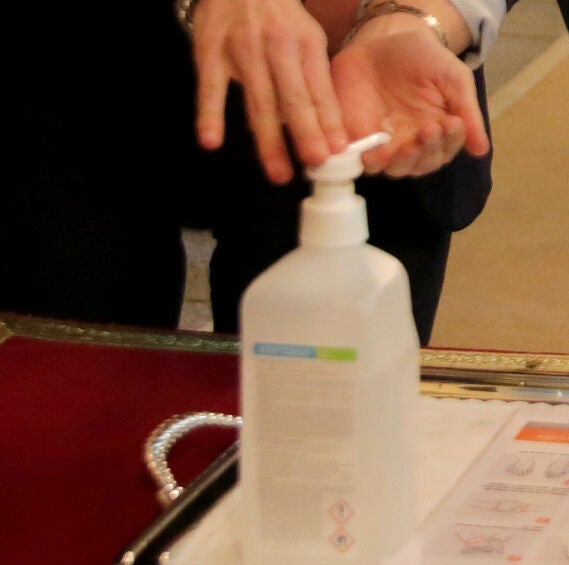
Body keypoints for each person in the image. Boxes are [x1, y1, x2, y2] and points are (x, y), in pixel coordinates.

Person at [0, 1, 511, 345]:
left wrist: (418, 16)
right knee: (70, 411)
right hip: (73, 78)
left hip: (361, 84)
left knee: (327, 430)